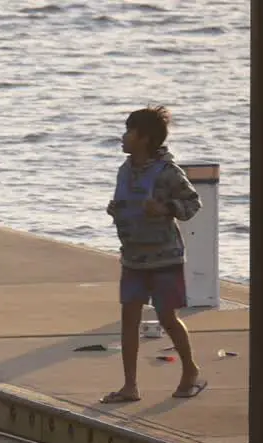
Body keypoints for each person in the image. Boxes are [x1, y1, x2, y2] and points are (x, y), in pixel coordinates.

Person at [101, 105, 206, 404]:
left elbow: (193, 203)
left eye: (128, 132)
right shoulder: (125, 171)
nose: (123, 137)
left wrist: (166, 208)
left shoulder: (168, 173)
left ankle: (190, 370)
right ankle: (129, 385)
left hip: (164, 258)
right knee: (129, 318)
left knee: (167, 317)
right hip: (133, 257)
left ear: (144, 139)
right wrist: (116, 210)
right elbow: (125, 202)